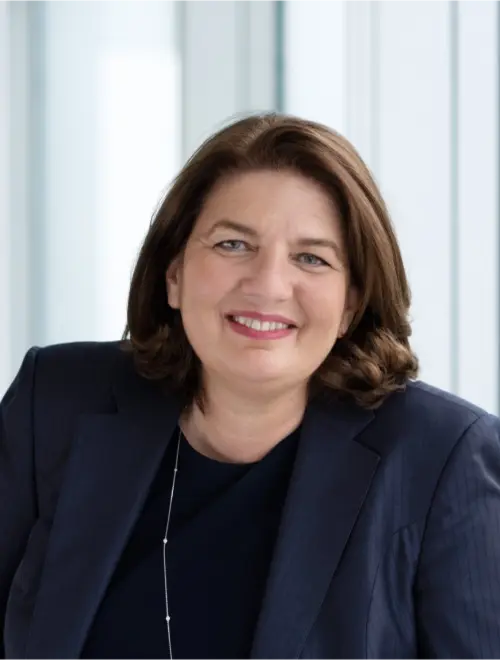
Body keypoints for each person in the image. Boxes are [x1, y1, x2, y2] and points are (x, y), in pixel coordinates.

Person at [1, 113, 500, 660]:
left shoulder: (442, 457)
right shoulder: (54, 402)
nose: (268, 284)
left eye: (311, 258)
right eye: (233, 244)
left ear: (350, 305)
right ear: (174, 274)